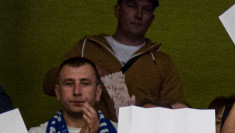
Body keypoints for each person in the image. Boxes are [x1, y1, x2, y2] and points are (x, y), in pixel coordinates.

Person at [46, 0, 183, 114]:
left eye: (146, 9)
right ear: (118, 11)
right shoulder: (87, 47)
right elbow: (49, 86)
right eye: (132, 6)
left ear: (152, 19)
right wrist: (87, 75)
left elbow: (176, 111)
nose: (139, 14)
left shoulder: (162, 61)